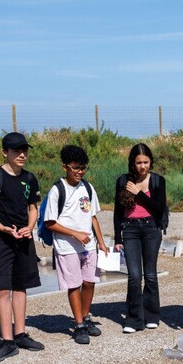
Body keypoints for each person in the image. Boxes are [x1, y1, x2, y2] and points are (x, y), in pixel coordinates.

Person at [0, 131, 44, 362]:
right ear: (5, 153)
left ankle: (21, 333)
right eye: (16, 151)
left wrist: (30, 226)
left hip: (23, 238)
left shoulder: (30, 179)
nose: (22, 155)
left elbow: (34, 207)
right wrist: (2, 228)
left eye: (24, 150)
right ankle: (7, 341)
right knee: (3, 288)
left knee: (21, 286)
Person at [44, 144, 109, 345]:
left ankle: (86, 316)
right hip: (66, 246)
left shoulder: (87, 188)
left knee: (89, 282)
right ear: (65, 167)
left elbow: (93, 217)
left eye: (83, 168)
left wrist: (101, 242)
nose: (80, 172)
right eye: (75, 168)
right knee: (74, 285)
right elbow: (50, 222)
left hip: (88, 245)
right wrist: (74, 234)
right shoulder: (57, 190)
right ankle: (79, 325)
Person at [114, 143, 168, 333]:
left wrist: (138, 194)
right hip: (130, 230)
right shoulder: (123, 181)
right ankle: (134, 319)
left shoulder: (158, 181)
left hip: (151, 228)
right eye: (139, 162)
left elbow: (158, 209)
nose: (142, 166)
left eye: (145, 162)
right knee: (134, 276)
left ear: (151, 162)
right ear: (133, 163)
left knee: (151, 275)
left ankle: (152, 316)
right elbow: (117, 211)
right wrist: (117, 238)